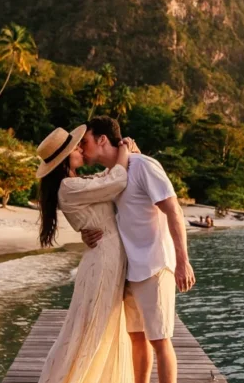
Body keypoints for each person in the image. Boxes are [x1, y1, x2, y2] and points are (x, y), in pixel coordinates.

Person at [80, 116, 196, 383]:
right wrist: (87, 232)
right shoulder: (112, 176)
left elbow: (174, 211)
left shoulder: (144, 166)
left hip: (155, 265)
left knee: (160, 340)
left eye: (85, 141)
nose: (82, 148)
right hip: (129, 270)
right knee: (137, 338)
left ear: (102, 139)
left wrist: (183, 262)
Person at [35, 124, 137, 383]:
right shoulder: (68, 187)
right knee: (95, 326)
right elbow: (116, 181)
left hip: (103, 256)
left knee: (97, 324)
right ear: (63, 159)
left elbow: (104, 180)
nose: (80, 148)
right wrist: (124, 148)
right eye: (74, 147)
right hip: (103, 259)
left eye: (79, 144)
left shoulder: (73, 184)